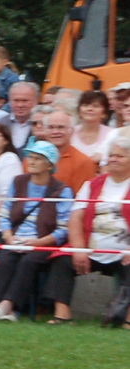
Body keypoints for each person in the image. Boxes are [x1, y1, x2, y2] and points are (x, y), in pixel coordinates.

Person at [0, 141, 73, 322]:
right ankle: (10, 312)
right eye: (30, 157)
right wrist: (8, 236)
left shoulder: (62, 191)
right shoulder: (18, 182)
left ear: (50, 164)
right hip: (15, 237)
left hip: (43, 242)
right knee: (5, 260)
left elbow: (64, 228)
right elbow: (4, 212)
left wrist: (39, 243)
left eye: (38, 158)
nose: (31, 161)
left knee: (29, 261)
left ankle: (6, 306)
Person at [68, 133, 130, 325]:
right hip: (91, 248)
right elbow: (76, 219)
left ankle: (127, 319)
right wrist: (79, 249)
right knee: (61, 262)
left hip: (125, 250)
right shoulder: (91, 185)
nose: (112, 159)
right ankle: (61, 314)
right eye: (111, 155)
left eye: (119, 156)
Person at [40, 110, 96, 194]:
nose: (55, 132)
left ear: (72, 131)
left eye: (61, 127)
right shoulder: (32, 159)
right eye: (51, 127)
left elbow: (82, 201)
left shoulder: (83, 162)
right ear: (44, 131)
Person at [72, 90, 113, 166]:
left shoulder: (112, 134)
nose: (90, 109)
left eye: (95, 106)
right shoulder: (70, 133)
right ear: (79, 111)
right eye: (85, 105)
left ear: (104, 113)